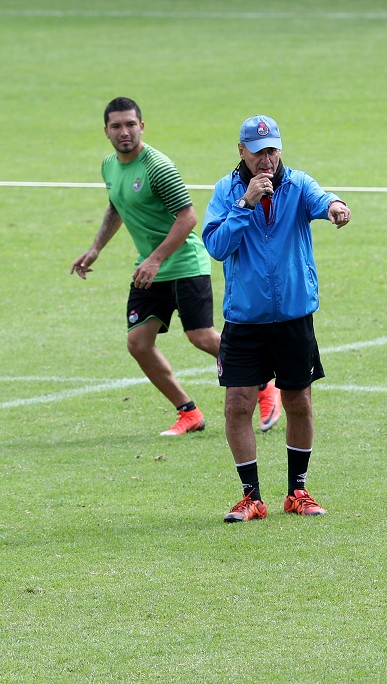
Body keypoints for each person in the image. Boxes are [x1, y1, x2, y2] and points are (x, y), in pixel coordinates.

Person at [71, 97, 281, 437]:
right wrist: (95, 249)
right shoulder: (109, 166)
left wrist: (156, 258)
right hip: (150, 268)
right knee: (138, 343)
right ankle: (189, 412)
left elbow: (189, 217)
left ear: (142, 126)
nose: (124, 132)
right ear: (106, 131)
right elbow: (117, 205)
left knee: (200, 336)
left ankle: (265, 384)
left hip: (184, 263)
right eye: (116, 126)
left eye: (130, 124)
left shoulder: (157, 167)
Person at [202, 115, 351, 523]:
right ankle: (251, 497)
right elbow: (215, 245)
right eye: (258, 151)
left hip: (292, 317)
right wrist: (245, 204)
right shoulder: (226, 191)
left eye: (273, 150)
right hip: (245, 319)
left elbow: (322, 198)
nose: (267, 159)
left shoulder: (298, 184)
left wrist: (336, 206)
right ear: (242, 151)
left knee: (299, 402)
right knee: (237, 406)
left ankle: (297, 491)